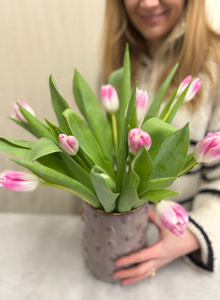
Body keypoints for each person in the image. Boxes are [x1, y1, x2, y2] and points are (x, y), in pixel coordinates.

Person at [101, 0, 220, 285]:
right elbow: (106, 158)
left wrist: (191, 234)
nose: (149, 3)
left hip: (183, 265)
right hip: (116, 246)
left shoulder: (216, 65)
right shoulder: (119, 64)